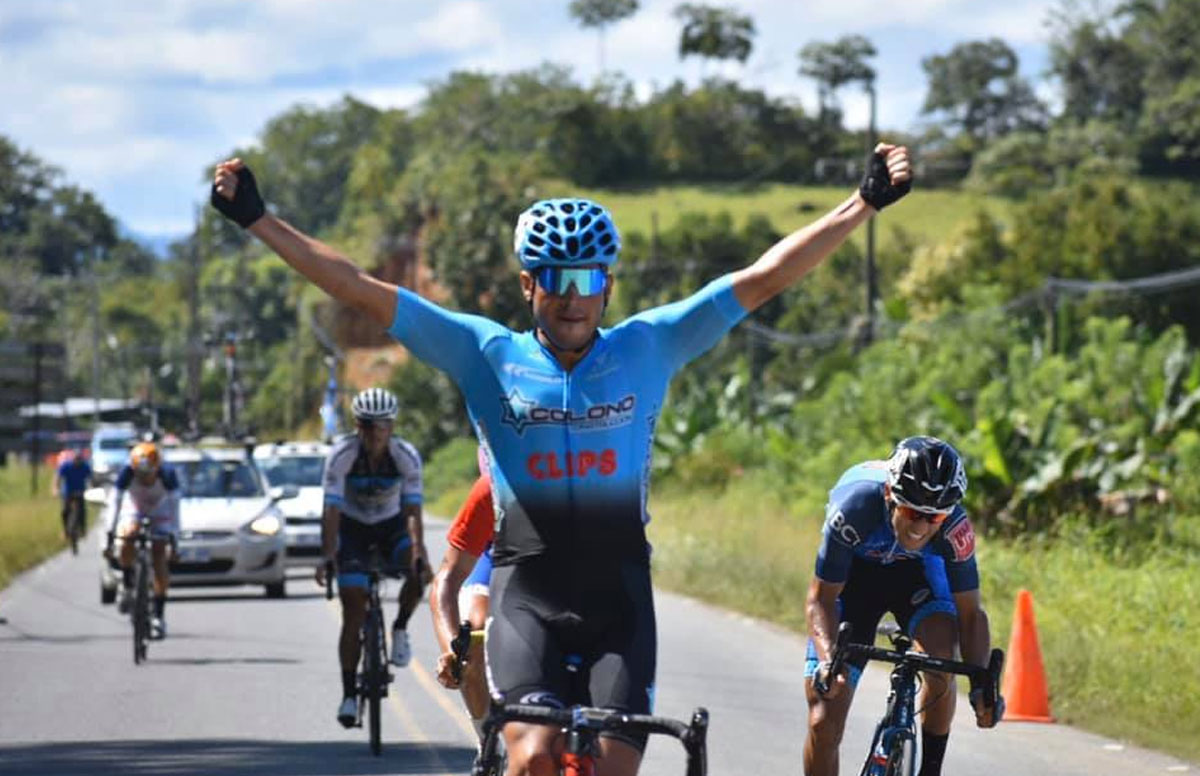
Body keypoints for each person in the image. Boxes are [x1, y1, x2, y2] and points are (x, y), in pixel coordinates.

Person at [212, 143, 911, 776]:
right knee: (534, 759)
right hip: (529, 595)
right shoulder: (484, 353)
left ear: (608, 284)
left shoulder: (649, 345)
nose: (572, 295)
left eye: (586, 276)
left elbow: (763, 278)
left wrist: (864, 203)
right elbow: (357, 286)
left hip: (619, 599)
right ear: (528, 284)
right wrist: (258, 220)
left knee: (613, 768)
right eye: (555, 276)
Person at [803, 436, 1005, 776]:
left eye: (933, 517)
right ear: (889, 494)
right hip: (856, 579)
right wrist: (828, 661)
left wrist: (981, 687)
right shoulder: (855, 508)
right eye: (912, 512)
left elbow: (971, 615)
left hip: (917, 576)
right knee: (823, 720)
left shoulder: (955, 528)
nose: (921, 527)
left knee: (941, 655)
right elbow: (820, 599)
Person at [315, 387, 429, 728]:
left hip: (391, 526)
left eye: (382, 425)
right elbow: (331, 510)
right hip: (352, 530)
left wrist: (418, 551)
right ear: (357, 425)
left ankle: (400, 627)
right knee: (353, 608)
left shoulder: (405, 455)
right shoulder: (341, 455)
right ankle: (349, 694)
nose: (374, 432)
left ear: (391, 426)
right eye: (367, 424)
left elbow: (413, 510)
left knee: (419, 571)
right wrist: (327, 555)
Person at [430, 471, 496, 741]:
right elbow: (446, 579)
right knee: (475, 632)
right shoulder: (492, 486)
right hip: (494, 554)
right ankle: (487, 743)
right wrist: (452, 649)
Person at [104, 442, 181, 640]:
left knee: (159, 554)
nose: (144, 478)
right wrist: (110, 534)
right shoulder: (127, 472)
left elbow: (175, 511)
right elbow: (115, 503)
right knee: (128, 534)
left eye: (148, 474)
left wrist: (175, 540)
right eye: (139, 473)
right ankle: (127, 583)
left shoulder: (168, 475)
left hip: (160, 510)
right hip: (135, 508)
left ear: (157, 468)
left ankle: (158, 617)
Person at [53, 448, 92, 541]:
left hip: (80, 492)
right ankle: (66, 531)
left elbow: (90, 478)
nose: (77, 461)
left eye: (79, 459)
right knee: (64, 511)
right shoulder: (66, 466)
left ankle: (83, 529)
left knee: (82, 511)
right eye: (76, 459)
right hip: (68, 492)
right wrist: (55, 488)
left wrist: (91, 488)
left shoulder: (85, 466)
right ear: (72, 459)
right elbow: (58, 477)